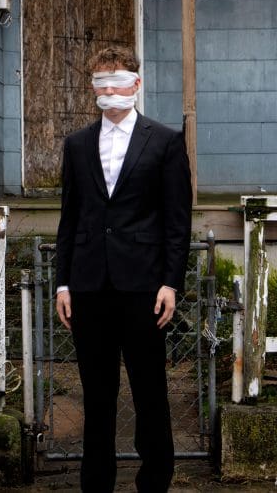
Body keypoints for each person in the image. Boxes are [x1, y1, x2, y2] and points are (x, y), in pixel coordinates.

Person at [55, 45, 192, 492]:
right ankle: (96, 484)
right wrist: (63, 282)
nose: (109, 90)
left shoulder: (166, 141)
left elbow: (177, 221)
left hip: (144, 287)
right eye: (101, 83)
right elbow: (70, 216)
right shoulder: (76, 145)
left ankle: (155, 481)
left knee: (150, 390)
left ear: (136, 84)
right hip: (90, 286)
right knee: (97, 395)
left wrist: (172, 281)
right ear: (93, 88)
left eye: (118, 81)